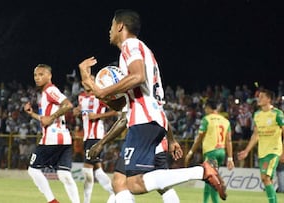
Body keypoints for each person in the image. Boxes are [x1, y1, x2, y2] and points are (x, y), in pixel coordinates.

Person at [79, 9, 227, 202]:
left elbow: (138, 77)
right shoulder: (141, 51)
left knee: (134, 184)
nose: (109, 31)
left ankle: (201, 171)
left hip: (144, 120)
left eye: (111, 26)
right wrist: (93, 86)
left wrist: (101, 91)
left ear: (120, 26)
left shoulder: (130, 45)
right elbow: (121, 105)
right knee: (119, 182)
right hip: (149, 119)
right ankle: (201, 171)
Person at [24, 64, 80, 203]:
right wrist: (33, 114)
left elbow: (68, 105)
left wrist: (52, 117)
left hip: (52, 138)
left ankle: (52, 201)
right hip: (64, 138)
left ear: (49, 76)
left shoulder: (50, 90)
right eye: (35, 75)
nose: (37, 78)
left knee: (33, 170)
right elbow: (46, 119)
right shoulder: (45, 94)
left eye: (41, 74)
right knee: (64, 174)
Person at [238, 89, 284, 203]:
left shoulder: (277, 114)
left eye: (262, 97)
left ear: (269, 99)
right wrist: (247, 150)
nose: (259, 98)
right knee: (266, 180)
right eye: (259, 96)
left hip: (274, 150)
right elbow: (255, 135)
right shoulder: (257, 115)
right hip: (262, 151)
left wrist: (283, 151)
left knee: (266, 178)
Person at [184, 99, 234, 203]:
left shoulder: (206, 119)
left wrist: (191, 152)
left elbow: (199, 137)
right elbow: (229, 140)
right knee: (208, 179)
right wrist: (230, 158)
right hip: (221, 151)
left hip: (211, 152)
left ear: (208, 108)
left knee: (212, 181)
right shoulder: (225, 121)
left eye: (205, 108)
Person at [73, 88, 117, 203]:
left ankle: (86, 201)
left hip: (96, 137)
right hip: (87, 137)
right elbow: (80, 114)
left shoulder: (100, 96)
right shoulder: (81, 97)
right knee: (98, 170)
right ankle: (114, 192)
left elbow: (115, 110)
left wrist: (97, 116)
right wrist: (76, 112)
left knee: (87, 170)